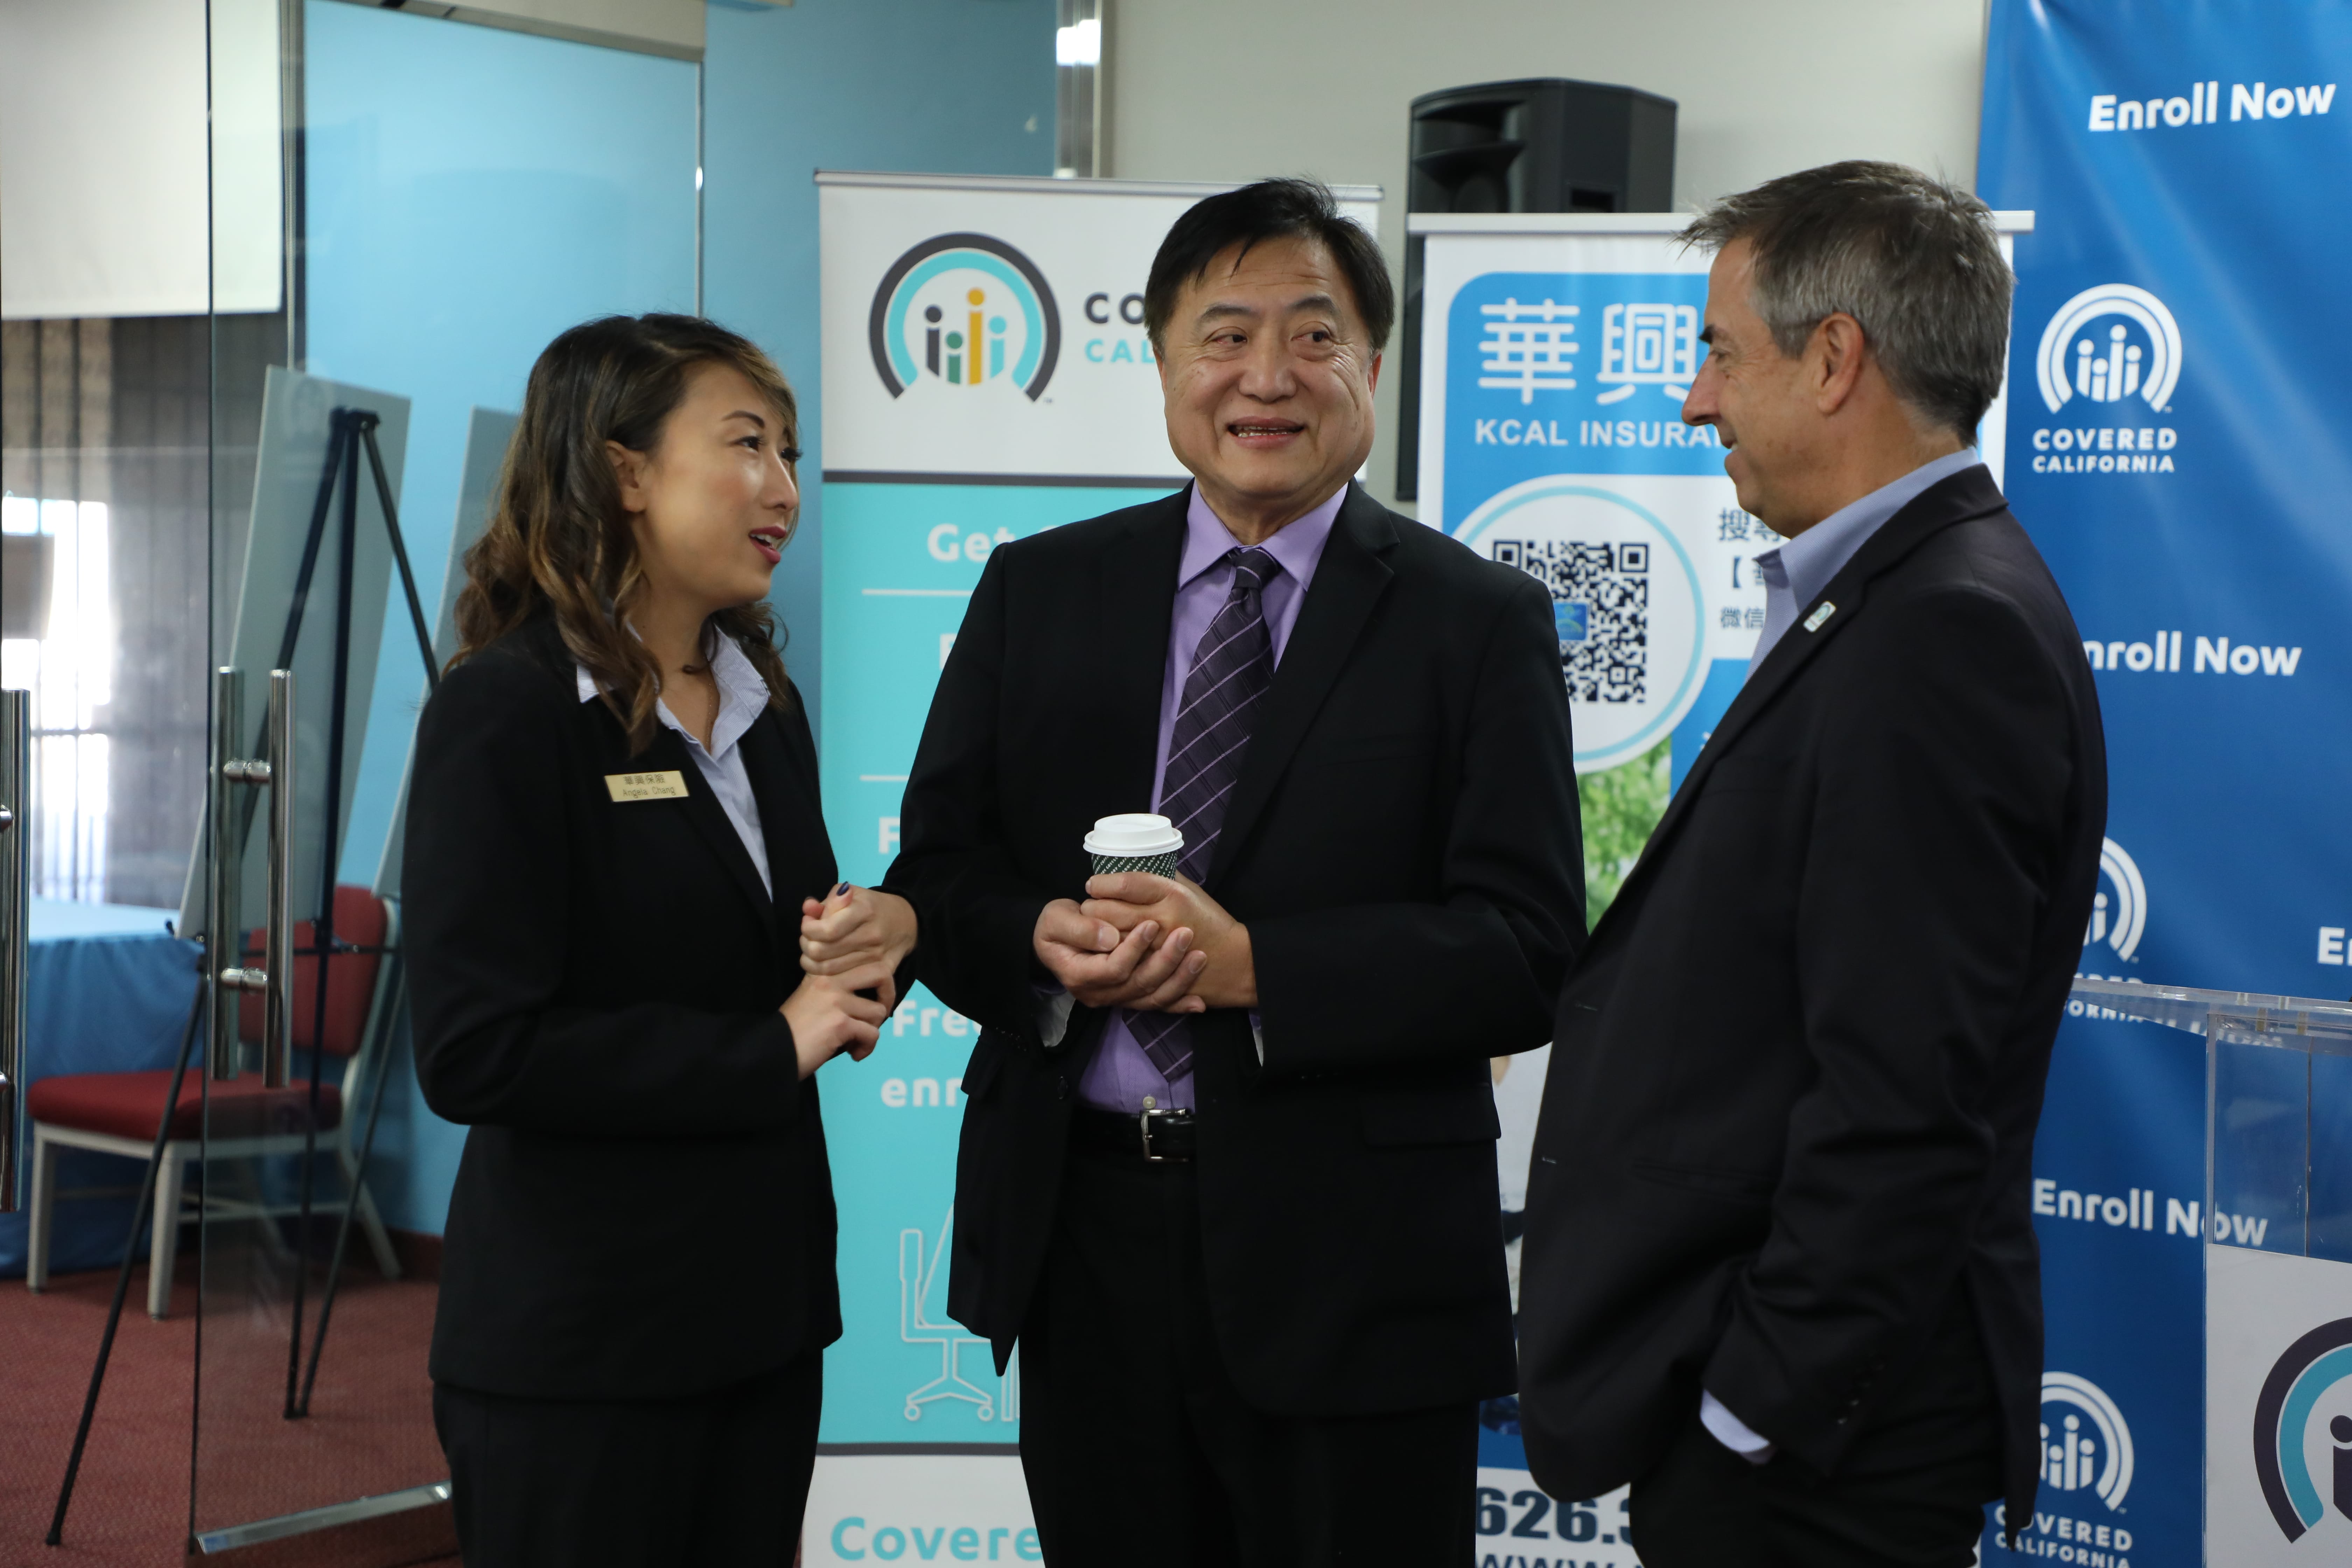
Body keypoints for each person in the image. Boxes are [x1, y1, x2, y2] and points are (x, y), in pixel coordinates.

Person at [882, 178, 1584, 1566]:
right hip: (1085, 1235)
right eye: (1225, 335)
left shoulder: (1477, 620)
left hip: (1357, 1265)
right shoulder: (1041, 588)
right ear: (1161, 362)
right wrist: (1037, 939)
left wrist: (1257, 969)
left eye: (1315, 336)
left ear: (1372, 368)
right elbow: (939, 875)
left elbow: (1525, 948)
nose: (1268, 377)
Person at [1517, 163, 2108, 1567]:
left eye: (1722, 354)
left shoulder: (1942, 631)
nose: (1696, 401)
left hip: (1818, 1461)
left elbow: (1904, 1095)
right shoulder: (1909, 595)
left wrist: (1750, 1412)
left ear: (1835, 358)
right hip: (1807, 1435)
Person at [403, 313, 917, 1566]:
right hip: (585, 1346)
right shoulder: (507, 711)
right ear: (624, 471)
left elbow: (779, 966)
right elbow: (477, 1052)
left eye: (790, 454)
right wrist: (772, 1046)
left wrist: (857, 961)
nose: (784, 490)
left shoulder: (762, 700)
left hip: (761, 1322)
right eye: (747, 446)